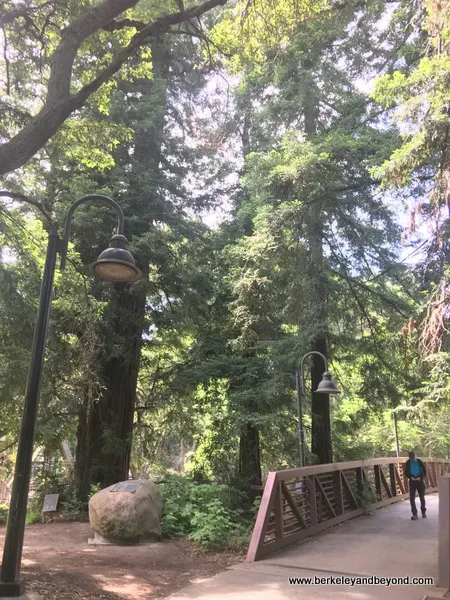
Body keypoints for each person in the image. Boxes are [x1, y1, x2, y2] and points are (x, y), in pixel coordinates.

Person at [405, 450, 427, 520]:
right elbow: (406, 472)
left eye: (414, 457)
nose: (413, 459)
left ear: (415, 455)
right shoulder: (408, 463)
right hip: (412, 482)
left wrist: (420, 477)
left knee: (422, 498)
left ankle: (423, 512)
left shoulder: (419, 461)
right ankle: (414, 514)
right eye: (411, 458)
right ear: (409, 457)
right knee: (412, 498)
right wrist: (410, 477)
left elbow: (424, 471)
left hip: (420, 481)